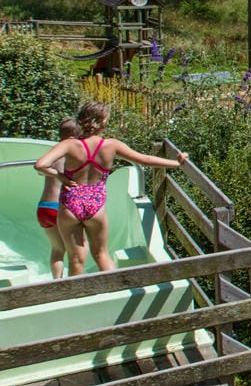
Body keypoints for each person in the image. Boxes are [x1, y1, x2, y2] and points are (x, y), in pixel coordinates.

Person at [32, 102, 188, 274]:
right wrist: (176, 163)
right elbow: (144, 159)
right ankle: (115, 293)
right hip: (96, 205)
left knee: (76, 259)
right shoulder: (111, 145)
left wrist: (60, 177)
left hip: (71, 203)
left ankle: (77, 297)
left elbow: (40, 165)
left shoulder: (69, 145)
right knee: (101, 255)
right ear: (103, 121)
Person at [35, 118, 88, 278]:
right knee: (79, 247)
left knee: (58, 249)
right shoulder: (74, 154)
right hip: (63, 207)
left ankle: (56, 281)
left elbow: (40, 170)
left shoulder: (54, 154)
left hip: (44, 208)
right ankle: (75, 282)